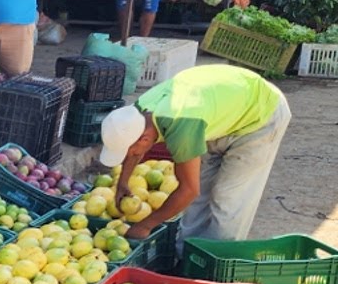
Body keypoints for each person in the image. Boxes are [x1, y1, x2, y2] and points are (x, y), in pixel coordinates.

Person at [97, 65, 291, 242]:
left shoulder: (181, 125)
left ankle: (215, 265)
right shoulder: (138, 112)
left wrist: (145, 226)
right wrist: (123, 181)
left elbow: (188, 190)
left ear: (144, 140)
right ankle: (187, 257)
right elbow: (135, 152)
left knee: (227, 200)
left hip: (261, 115)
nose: (126, 156)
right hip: (223, 111)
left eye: (126, 151)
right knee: (201, 198)